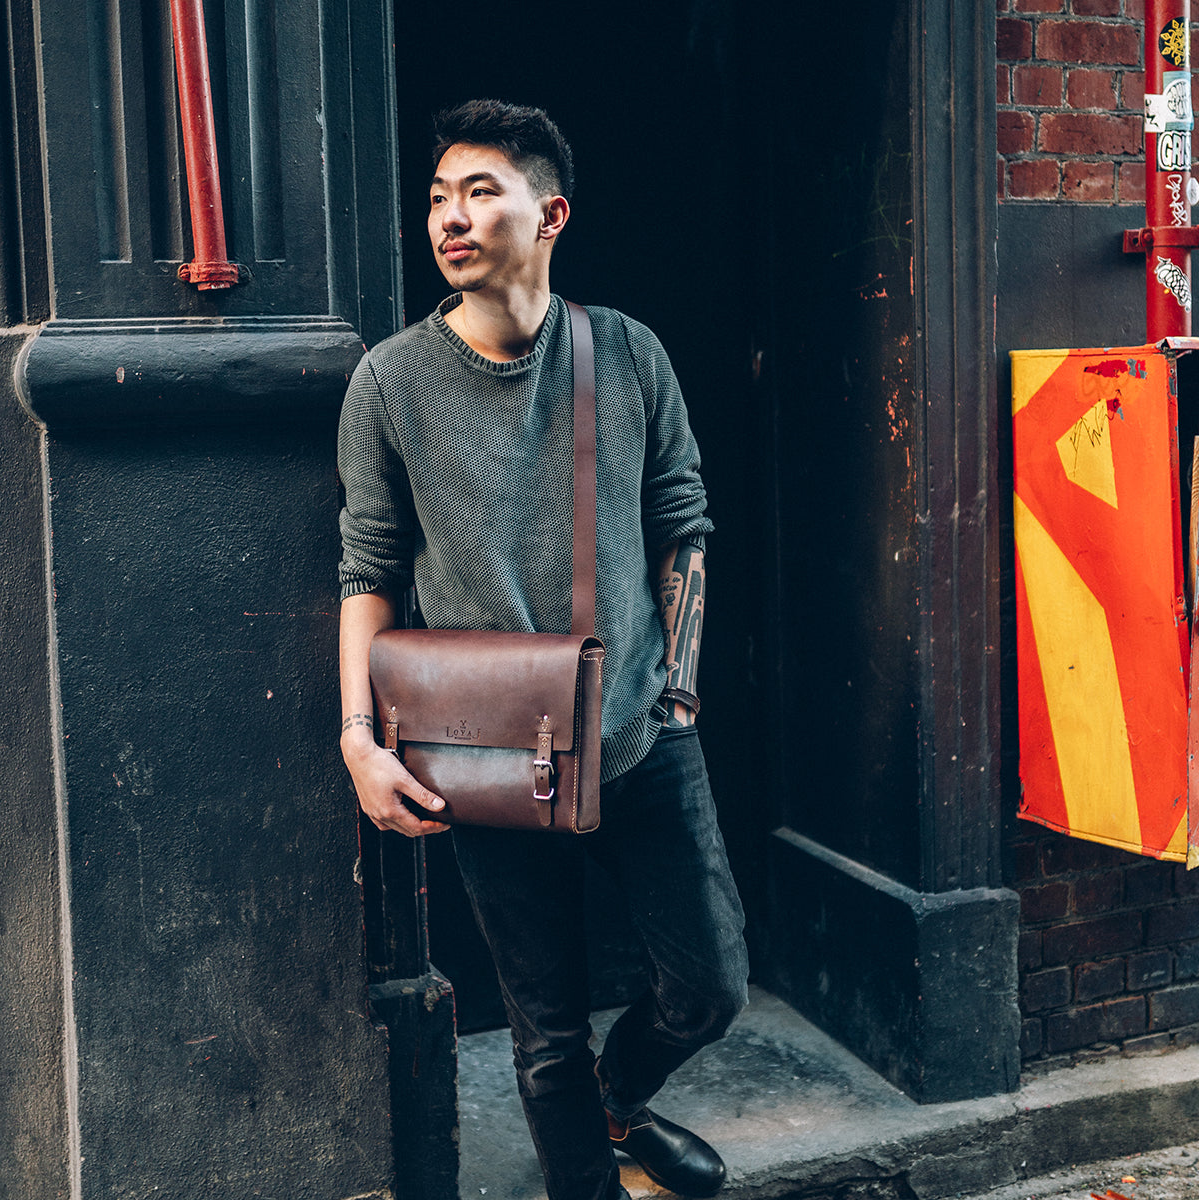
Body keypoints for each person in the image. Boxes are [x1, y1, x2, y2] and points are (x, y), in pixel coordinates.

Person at [337, 99, 748, 1200]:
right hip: (485, 756)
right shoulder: (387, 384)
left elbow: (684, 521)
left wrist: (678, 699)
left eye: (481, 192)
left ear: (550, 214)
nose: (450, 217)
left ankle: (623, 1100)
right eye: (439, 197)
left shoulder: (627, 352)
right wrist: (360, 742)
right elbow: (367, 571)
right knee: (546, 1034)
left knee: (710, 987)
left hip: (640, 733)